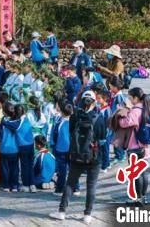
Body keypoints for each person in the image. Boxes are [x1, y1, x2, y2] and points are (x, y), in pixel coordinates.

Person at [51, 90, 106, 224]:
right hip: (94, 156)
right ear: (94, 102)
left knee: (70, 184)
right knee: (91, 186)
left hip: (76, 155)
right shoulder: (99, 118)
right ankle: (87, 214)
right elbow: (103, 139)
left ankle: (62, 212)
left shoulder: (74, 116)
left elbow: (71, 133)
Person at [114, 88, 150, 206]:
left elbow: (124, 123)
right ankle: (143, 197)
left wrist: (121, 114)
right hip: (146, 147)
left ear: (136, 98)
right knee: (143, 172)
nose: (129, 100)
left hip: (136, 146)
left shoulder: (135, 111)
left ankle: (137, 198)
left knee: (136, 173)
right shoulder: (147, 108)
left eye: (130, 97)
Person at [50, 101, 73, 196]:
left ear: (62, 112)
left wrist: (53, 144)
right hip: (71, 149)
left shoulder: (60, 122)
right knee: (73, 169)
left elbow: (55, 135)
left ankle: (60, 189)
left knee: (62, 170)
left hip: (61, 149)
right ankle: (75, 188)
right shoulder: (73, 122)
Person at [0, 102, 19, 192]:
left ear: (5, 112)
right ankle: (14, 185)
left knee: (5, 168)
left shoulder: (3, 120)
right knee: (14, 168)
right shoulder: (17, 121)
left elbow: (0, 135)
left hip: (4, 148)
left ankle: (6, 185)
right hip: (15, 148)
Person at [14, 104, 35, 192]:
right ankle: (32, 184)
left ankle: (26, 185)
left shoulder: (18, 121)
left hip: (22, 146)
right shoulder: (27, 119)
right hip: (31, 144)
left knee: (24, 166)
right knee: (30, 165)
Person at [96, 89, 111, 172]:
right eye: (97, 98)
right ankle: (106, 163)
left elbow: (108, 123)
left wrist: (106, 133)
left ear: (104, 99)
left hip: (105, 133)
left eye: (99, 98)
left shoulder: (107, 109)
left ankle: (104, 166)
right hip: (101, 132)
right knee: (102, 149)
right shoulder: (100, 107)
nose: (98, 100)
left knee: (105, 150)